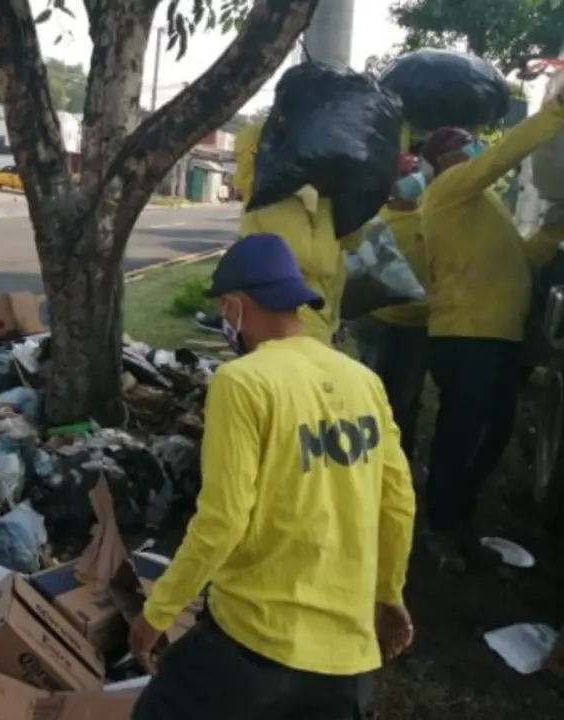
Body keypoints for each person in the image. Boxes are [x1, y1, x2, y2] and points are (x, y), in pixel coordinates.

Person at [130, 233, 416, 720]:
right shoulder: (362, 380)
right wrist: (388, 594)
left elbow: (223, 519)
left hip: (253, 644)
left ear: (233, 305)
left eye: (223, 311)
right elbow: (398, 502)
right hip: (345, 664)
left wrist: (156, 615)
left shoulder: (242, 382)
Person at [417, 92, 564, 571]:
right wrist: (554, 113)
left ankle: (459, 513)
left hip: (497, 335)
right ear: (442, 160)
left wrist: (554, 228)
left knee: (493, 432)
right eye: (464, 144)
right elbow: (501, 159)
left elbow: (520, 261)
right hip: (465, 334)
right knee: (462, 434)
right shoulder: (448, 191)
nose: (475, 147)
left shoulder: (485, 207)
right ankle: (438, 525)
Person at [201, 121, 367, 344]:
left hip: (320, 317)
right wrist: (328, 203)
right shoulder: (273, 203)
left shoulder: (307, 192)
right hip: (299, 322)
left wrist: (351, 199)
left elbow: (351, 241)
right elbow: (322, 263)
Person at [350, 152, 429, 462]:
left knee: (407, 399)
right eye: (405, 176)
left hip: (418, 323)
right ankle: (367, 457)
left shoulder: (430, 219)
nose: (413, 181)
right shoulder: (373, 223)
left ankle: (399, 459)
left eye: (415, 173)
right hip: (379, 322)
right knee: (372, 392)